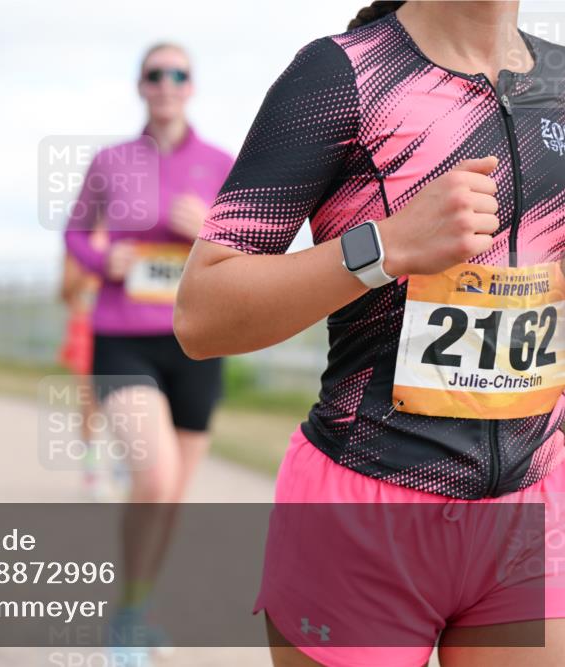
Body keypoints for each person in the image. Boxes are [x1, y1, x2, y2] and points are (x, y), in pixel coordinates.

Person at [174, 2, 564, 665]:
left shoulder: (558, 80)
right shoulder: (341, 74)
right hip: (363, 510)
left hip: (529, 509)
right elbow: (202, 313)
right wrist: (384, 245)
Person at [64, 42, 235, 661]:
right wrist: (99, 258)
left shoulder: (223, 162)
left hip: (197, 338)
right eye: (154, 74)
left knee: (170, 497)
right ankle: (129, 620)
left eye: (178, 74)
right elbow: (77, 230)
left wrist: (210, 230)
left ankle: (136, 607)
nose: (166, 83)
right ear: (140, 86)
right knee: (154, 476)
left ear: (192, 86)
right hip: (122, 335)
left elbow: (252, 245)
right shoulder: (112, 161)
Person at [59, 228, 110, 500]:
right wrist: (96, 265)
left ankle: (125, 468)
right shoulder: (78, 241)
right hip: (86, 327)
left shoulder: (132, 234)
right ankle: (92, 471)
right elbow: (64, 292)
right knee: (91, 402)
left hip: (122, 326)